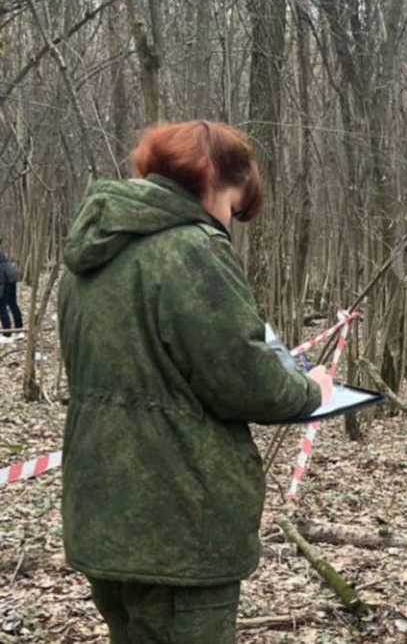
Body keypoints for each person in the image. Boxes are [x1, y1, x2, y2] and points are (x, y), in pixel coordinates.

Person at [57, 120, 335, 644]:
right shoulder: (192, 250)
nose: (230, 223)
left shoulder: (89, 255)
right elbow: (245, 381)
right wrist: (310, 389)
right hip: (178, 522)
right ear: (210, 179)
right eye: (233, 207)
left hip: (101, 512)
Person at [0, 237, 22, 341]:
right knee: (13, 303)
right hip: (11, 276)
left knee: (1, 305)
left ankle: (7, 334)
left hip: (5, 279)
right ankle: (19, 330)